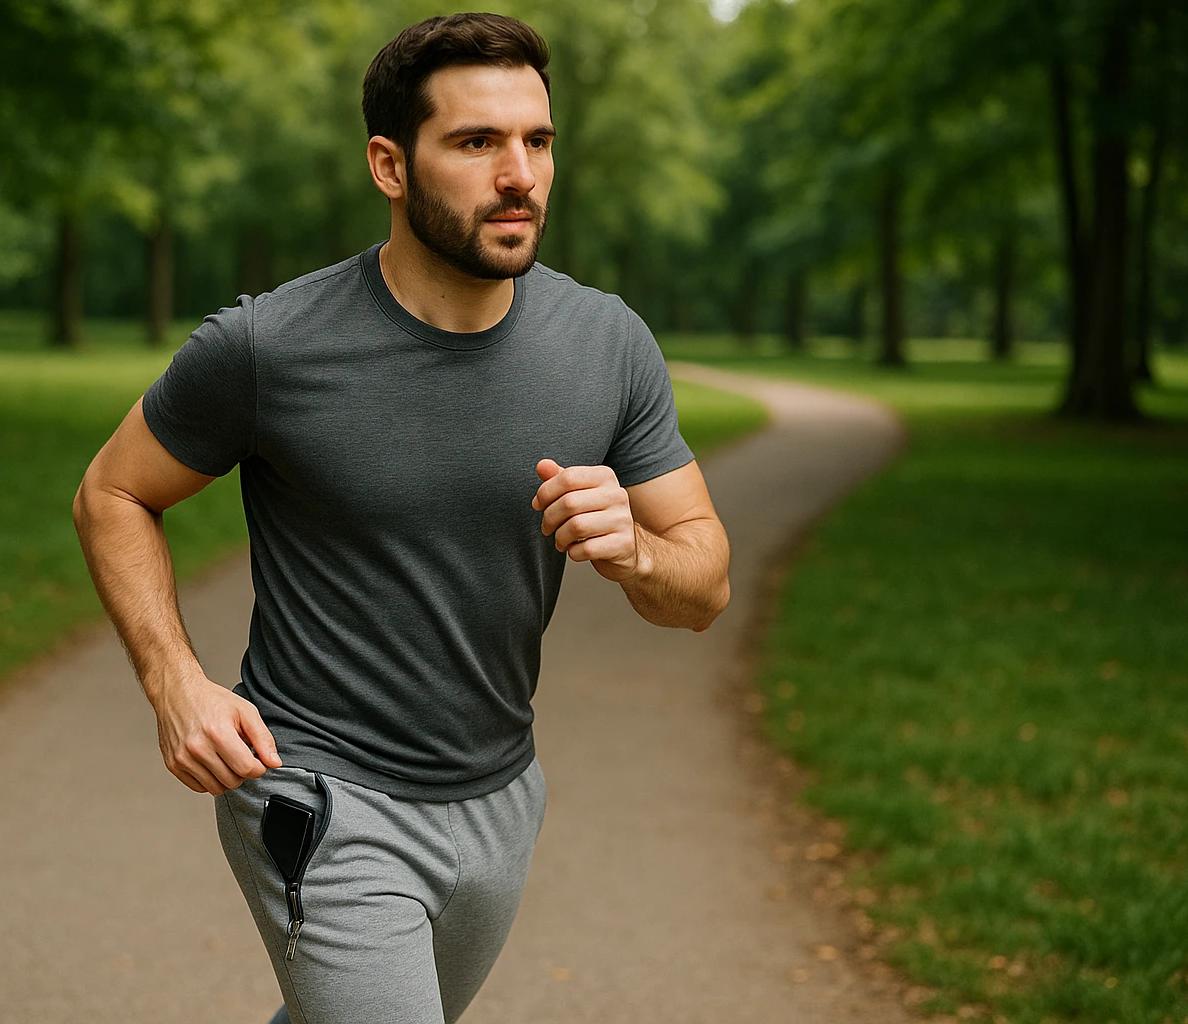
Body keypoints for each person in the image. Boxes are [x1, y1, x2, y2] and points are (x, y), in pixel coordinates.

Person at [72, 13, 730, 1024]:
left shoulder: (608, 344)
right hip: (319, 796)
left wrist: (636, 549)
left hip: (501, 794)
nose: (521, 174)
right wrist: (174, 684)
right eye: (476, 143)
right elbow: (113, 492)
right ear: (389, 164)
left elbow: (704, 585)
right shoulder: (270, 346)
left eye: (537, 141)